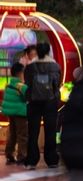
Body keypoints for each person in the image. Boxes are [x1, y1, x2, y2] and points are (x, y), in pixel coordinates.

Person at [23, 41, 61, 169]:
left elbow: (27, 83)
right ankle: (52, 160)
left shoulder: (30, 67)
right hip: (50, 102)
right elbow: (57, 84)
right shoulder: (55, 66)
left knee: (33, 131)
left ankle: (31, 160)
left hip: (34, 102)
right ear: (48, 51)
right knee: (50, 130)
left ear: (37, 52)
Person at [2, 62, 28, 165]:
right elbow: (27, 96)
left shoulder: (9, 85)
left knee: (12, 134)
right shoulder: (21, 86)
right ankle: (22, 156)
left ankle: (9, 154)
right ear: (20, 73)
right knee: (22, 135)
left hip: (11, 113)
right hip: (20, 113)